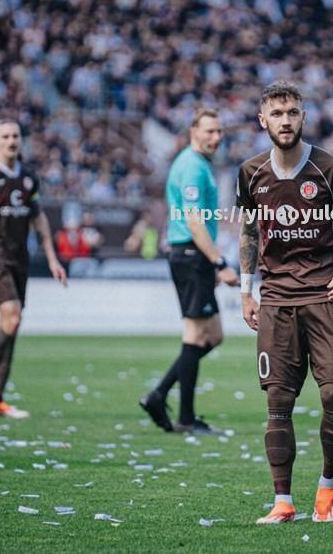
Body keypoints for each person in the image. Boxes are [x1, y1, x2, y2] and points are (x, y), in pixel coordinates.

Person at [237, 81, 333, 524]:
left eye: (292, 112)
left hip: (326, 296)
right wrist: (245, 288)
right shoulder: (250, 173)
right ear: (263, 120)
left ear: (303, 116)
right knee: (278, 401)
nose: (285, 121)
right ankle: (283, 501)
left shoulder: (330, 169)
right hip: (276, 300)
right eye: (277, 114)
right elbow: (249, 233)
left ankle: (328, 487)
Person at [0, 119, 67, 419]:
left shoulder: (29, 177)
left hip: (20, 258)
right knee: (12, 314)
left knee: (13, 324)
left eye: (16, 136)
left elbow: (38, 218)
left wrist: (52, 258)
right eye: (5, 136)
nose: (11, 141)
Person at [140, 108, 238, 435]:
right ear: (193, 131)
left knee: (213, 336)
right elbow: (195, 222)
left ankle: (160, 394)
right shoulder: (193, 167)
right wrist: (219, 263)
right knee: (196, 335)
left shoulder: (196, 164)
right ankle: (184, 416)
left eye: (219, 131)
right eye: (209, 131)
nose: (216, 137)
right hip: (191, 254)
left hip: (192, 255)